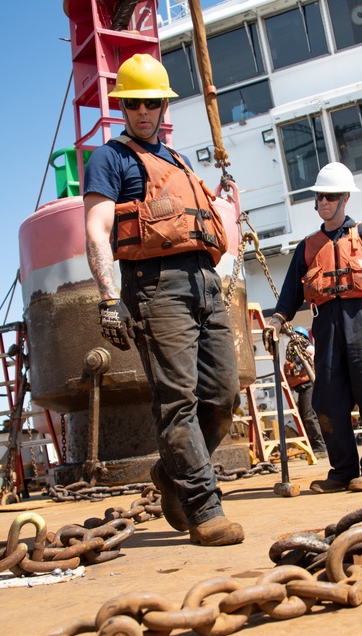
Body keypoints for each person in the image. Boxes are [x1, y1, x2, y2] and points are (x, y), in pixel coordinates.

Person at [82, 53, 244, 546]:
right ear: (123, 106)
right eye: (134, 103)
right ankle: (203, 508)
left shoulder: (178, 160)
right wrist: (109, 298)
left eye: (152, 102)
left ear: (163, 106)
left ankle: (172, 473)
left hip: (204, 283)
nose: (144, 111)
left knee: (223, 396)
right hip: (156, 289)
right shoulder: (109, 159)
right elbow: (97, 228)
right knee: (178, 403)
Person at [264, 162, 362, 493]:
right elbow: (289, 296)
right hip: (328, 328)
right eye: (319, 197)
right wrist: (276, 322)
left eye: (330, 197)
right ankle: (343, 471)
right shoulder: (307, 246)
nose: (323, 203)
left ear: (345, 198)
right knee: (328, 403)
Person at [283, 327, 328, 459]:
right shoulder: (292, 356)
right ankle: (313, 447)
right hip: (301, 389)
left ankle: (320, 448)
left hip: (309, 386)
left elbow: (309, 368)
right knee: (303, 419)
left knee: (310, 417)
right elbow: (288, 374)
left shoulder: (308, 351)